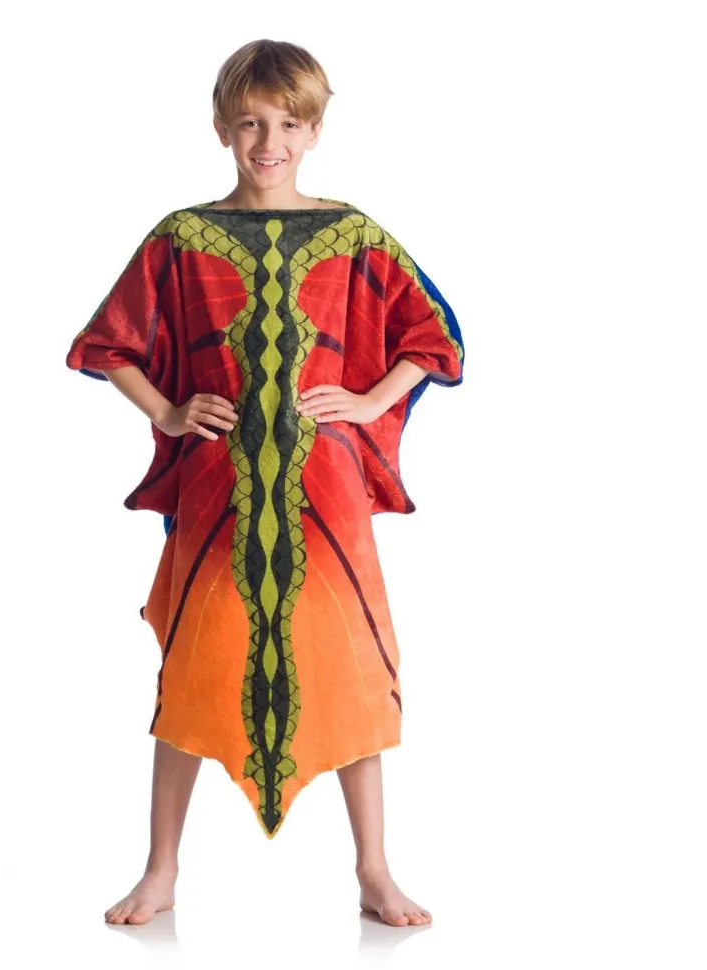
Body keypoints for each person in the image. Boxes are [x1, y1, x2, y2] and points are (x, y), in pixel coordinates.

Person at [65, 38, 465, 928]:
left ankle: (374, 871)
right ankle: (160, 870)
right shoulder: (181, 238)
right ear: (221, 129)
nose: (268, 142)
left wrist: (369, 400)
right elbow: (109, 342)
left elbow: (433, 337)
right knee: (194, 669)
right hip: (220, 488)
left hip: (328, 496)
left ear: (315, 130)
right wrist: (169, 412)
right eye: (249, 124)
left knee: (348, 667)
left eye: (288, 124)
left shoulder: (352, 235)